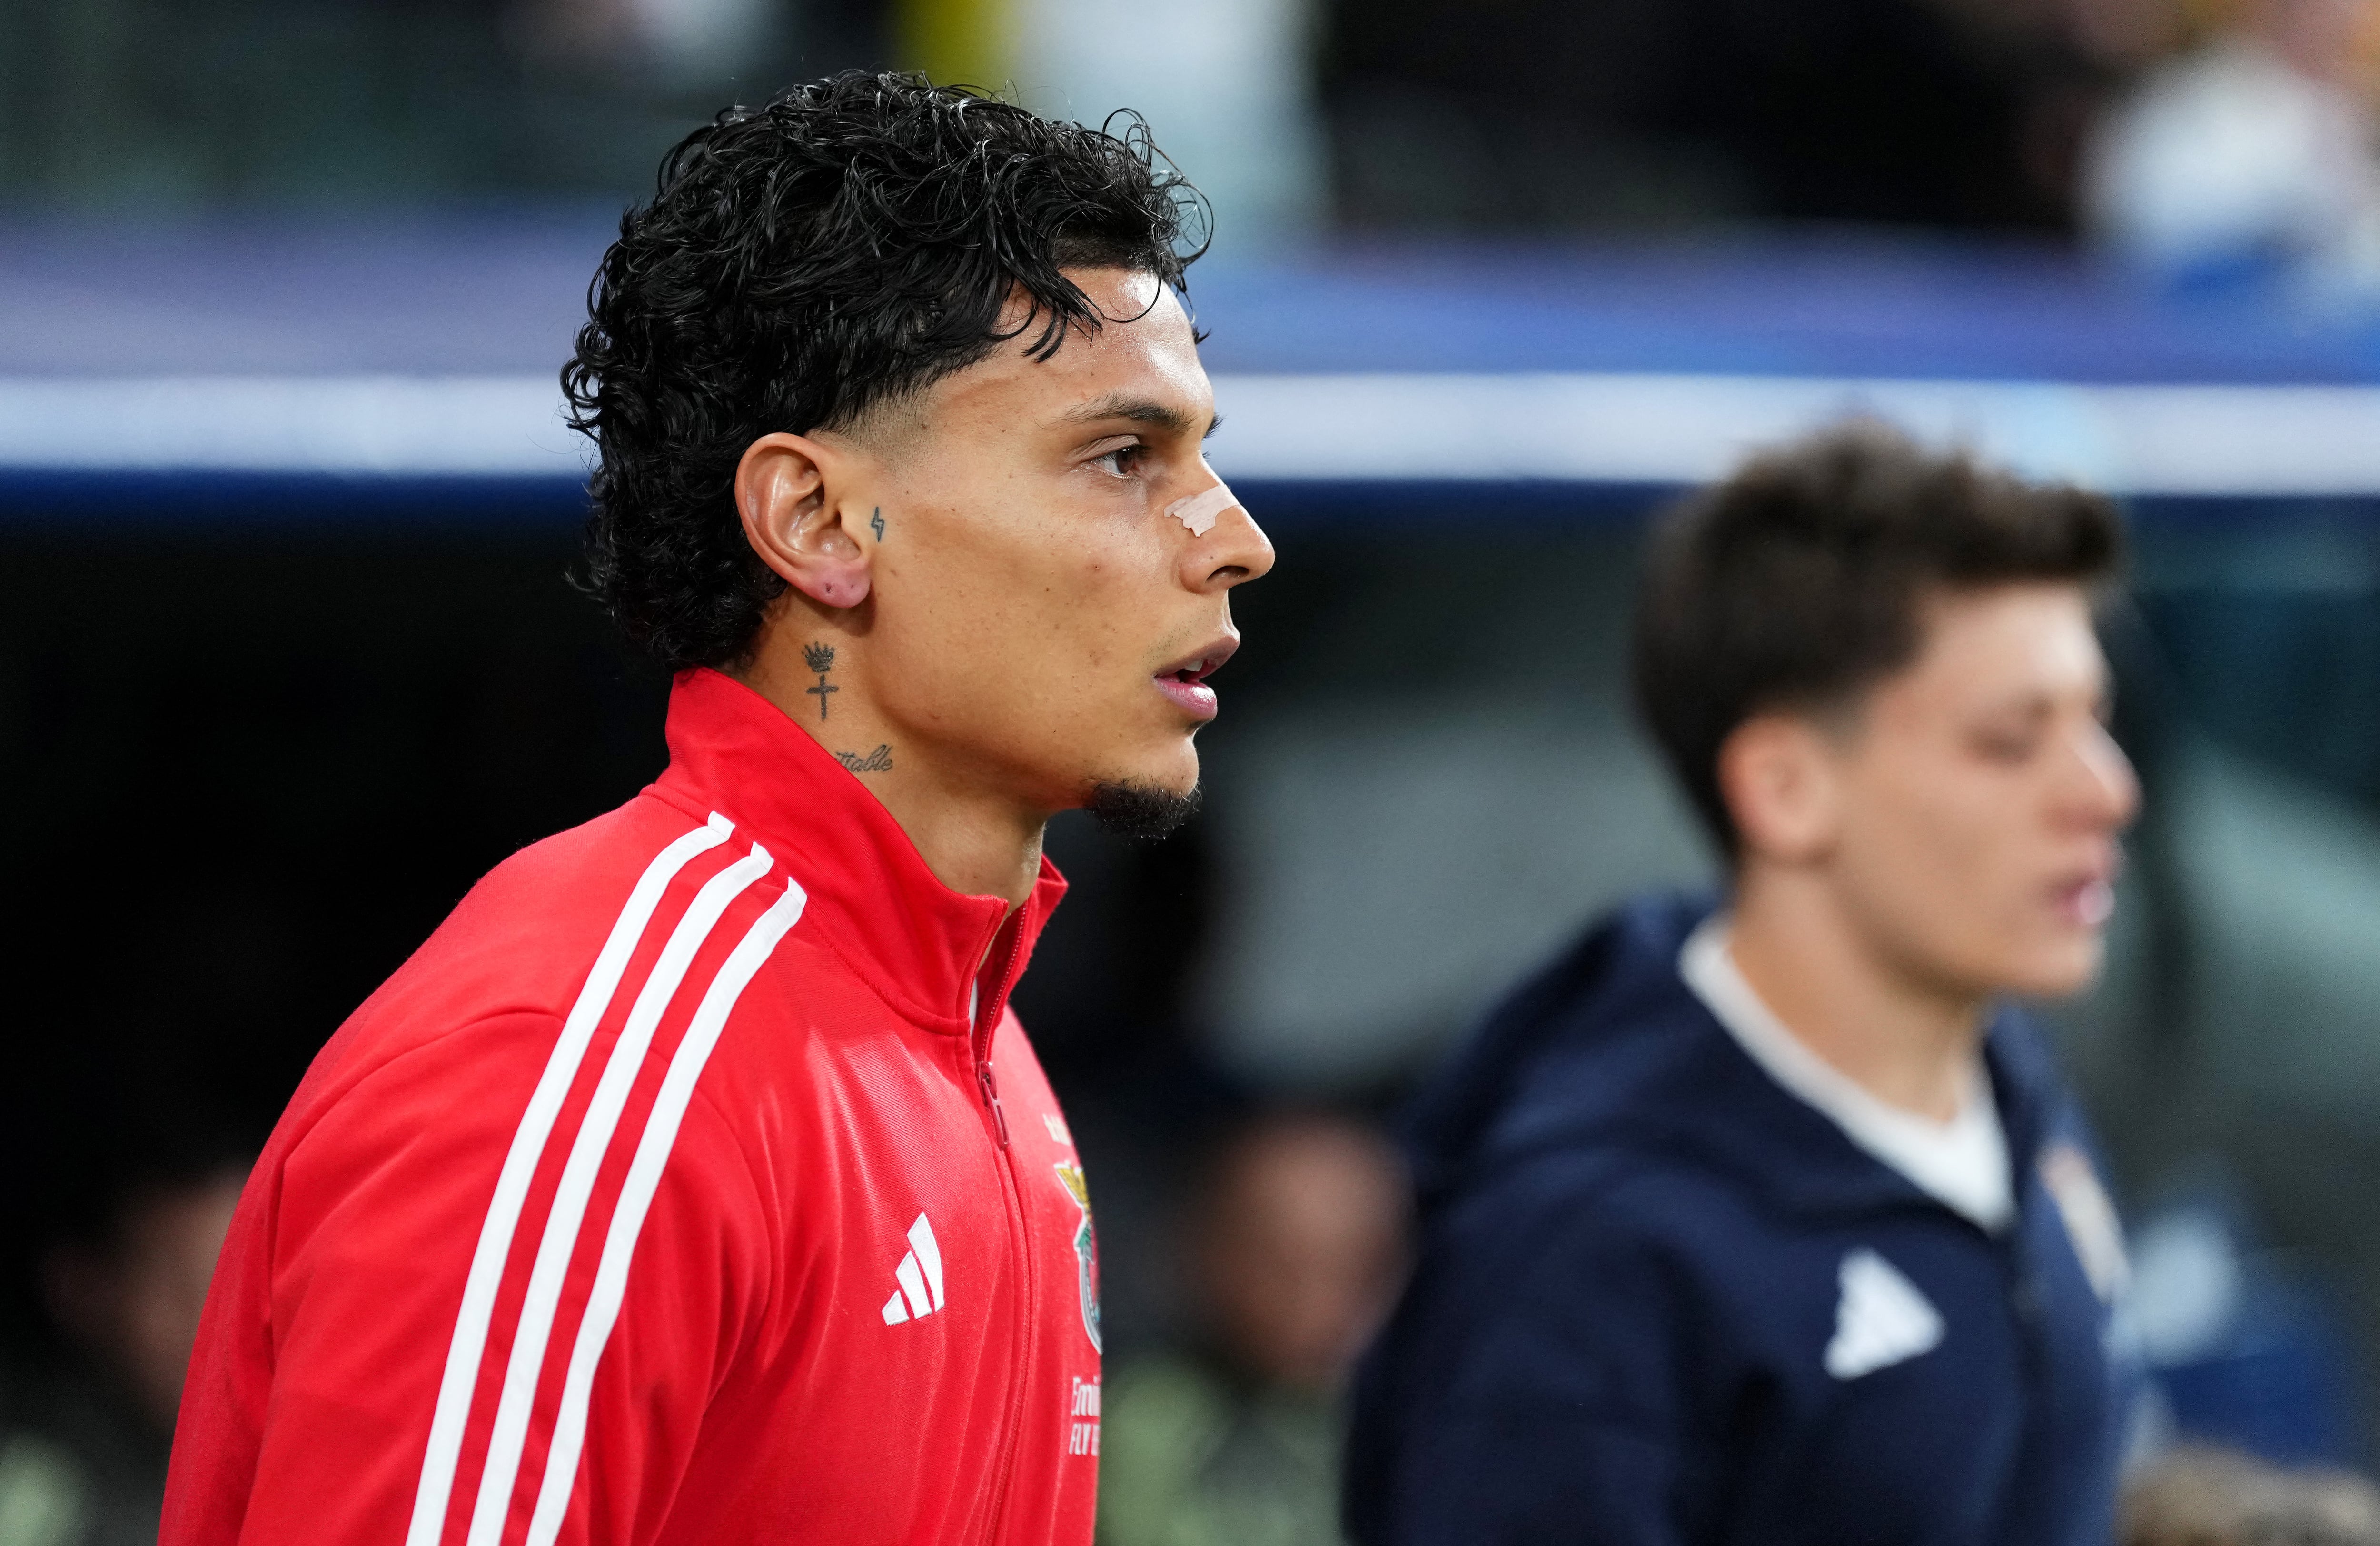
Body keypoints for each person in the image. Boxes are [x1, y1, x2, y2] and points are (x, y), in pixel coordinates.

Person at [161, 71, 1272, 1546]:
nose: (1234, 542)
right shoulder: (574, 1067)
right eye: (1123, 457)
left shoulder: (976, 1049)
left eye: (1202, 457)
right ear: (816, 522)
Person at [1345, 424, 2141, 1546]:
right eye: (2012, 739)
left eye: (2095, 720)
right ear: (1783, 785)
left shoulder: (2012, 1088)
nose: (2105, 791)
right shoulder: (1581, 1257)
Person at [1098, 1111, 1407, 1546]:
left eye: (1356, 1273)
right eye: (1282, 1267)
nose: (1318, 1304)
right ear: (1204, 1250)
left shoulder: (1394, 1429)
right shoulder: (1144, 1421)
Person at [0, 1125, 248, 1546]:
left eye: (243, 1292)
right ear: (81, 1287)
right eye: (180, 1289)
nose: (218, 1330)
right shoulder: (32, 1483)